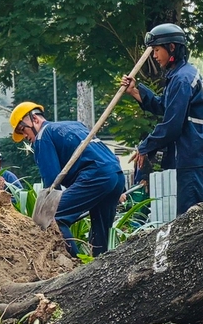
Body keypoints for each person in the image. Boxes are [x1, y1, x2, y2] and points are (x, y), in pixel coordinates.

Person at [122, 24, 203, 215]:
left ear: (172, 48)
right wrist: (135, 91)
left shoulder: (182, 79)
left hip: (194, 160)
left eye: (157, 50)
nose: (154, 56)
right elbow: (164, 106)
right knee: (193, 217)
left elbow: (172, 125)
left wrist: (145, 146)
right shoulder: (180, 75)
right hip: (195, 159)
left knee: (193, 220)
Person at [10, 102, 124, 256]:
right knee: (100, 231)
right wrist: (120, 191)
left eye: (23, 130)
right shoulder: (75, 125)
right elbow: (100, 153)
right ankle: (99, 269)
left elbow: (52, 182)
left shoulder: (42, 137)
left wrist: (45, 213)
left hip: (95, 176)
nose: (25, 137)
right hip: (116, 175)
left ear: (35, 119)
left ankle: (76, 266)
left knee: (54, 218)